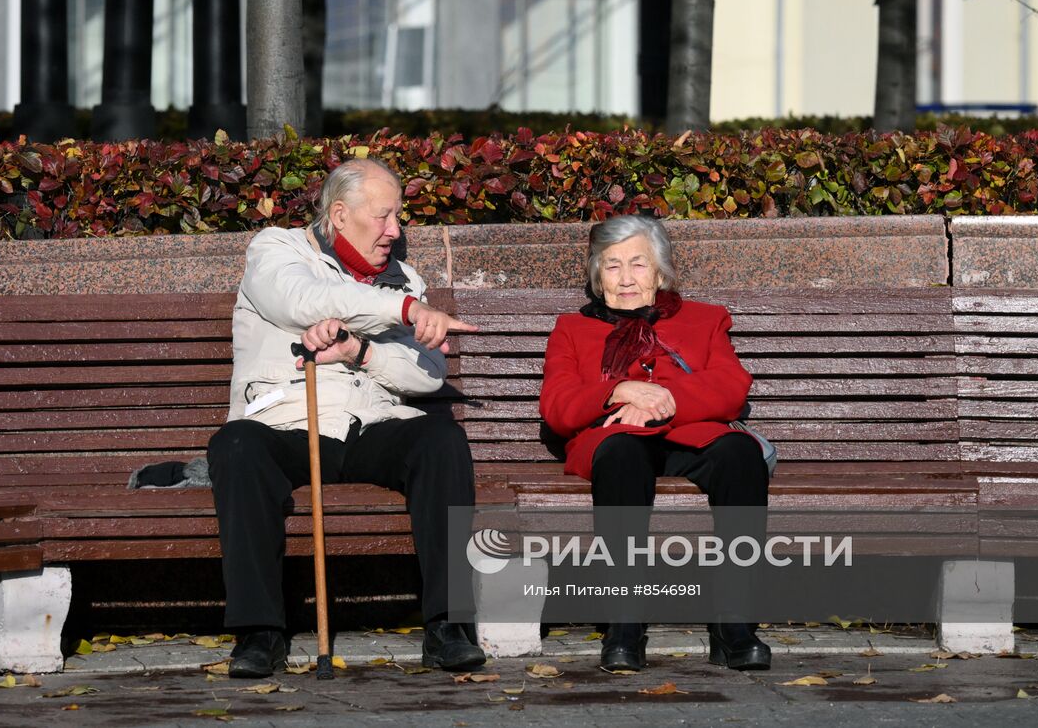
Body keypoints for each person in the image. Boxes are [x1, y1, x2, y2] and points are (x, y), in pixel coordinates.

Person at [207, 157, 486, 678]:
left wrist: (362, 352)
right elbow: (305, 299)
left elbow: (426, 374)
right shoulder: (278, 249)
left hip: (369, 425)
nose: (394, 231)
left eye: (397, 218)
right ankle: (258, 633)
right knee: (235, 447)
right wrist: (403, 311)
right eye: (383, 217)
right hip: (284, 424)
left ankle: (448, 625)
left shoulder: (405, 279)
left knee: (440, 439)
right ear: (339, 215)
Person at [539, 214, 771, 673]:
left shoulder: (704, 319)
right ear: (596, 275)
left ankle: (734, 625)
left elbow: (731, 386)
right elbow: (558, 406)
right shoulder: (572, 328)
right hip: (616, 440)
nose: (626, 278)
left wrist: (662, 400)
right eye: (612, 265)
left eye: (638, 264)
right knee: (624, 454)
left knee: (740, 455)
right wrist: (618, 392)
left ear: (661, 271)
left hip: (688, 433)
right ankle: (623, 624)